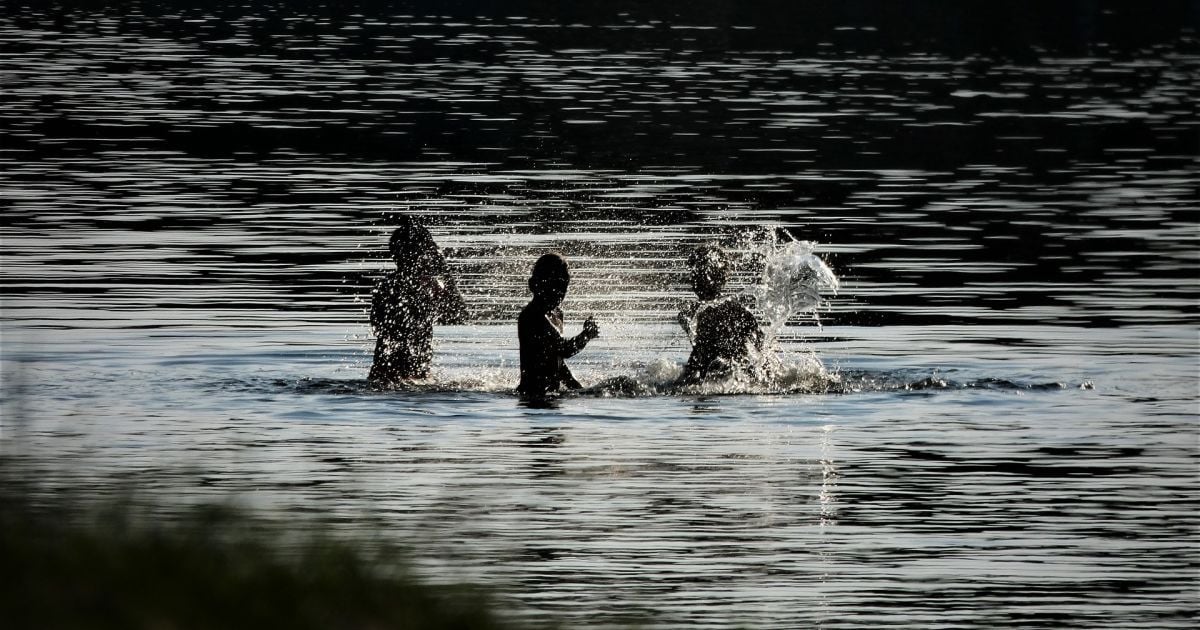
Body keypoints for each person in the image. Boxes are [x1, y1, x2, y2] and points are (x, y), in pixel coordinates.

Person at [368, 218, 467, 385]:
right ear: (424, 253)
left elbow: (376, 326)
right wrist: (443, 269)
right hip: (414, 374)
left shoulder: (386, 286)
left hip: (383, 373)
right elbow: (458, 315)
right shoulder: (430, 287)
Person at [517, 253, 600, 398]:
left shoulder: (556, 315)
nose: (559, 293)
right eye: (553, 285)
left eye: (563, 286)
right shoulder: (531, 317)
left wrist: (578, 388)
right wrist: (585, 335)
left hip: (552, 397)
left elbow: (557, 360)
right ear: (535, 285)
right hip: (531, 397)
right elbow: (564, 349)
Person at [677, 245, 763, 384]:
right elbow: (762, 344)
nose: (692, 279)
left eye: (695, 274)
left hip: (722, 374)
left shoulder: (689, 313)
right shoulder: (739, 311)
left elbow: (698, 357)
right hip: (737, 374)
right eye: (693, 274)